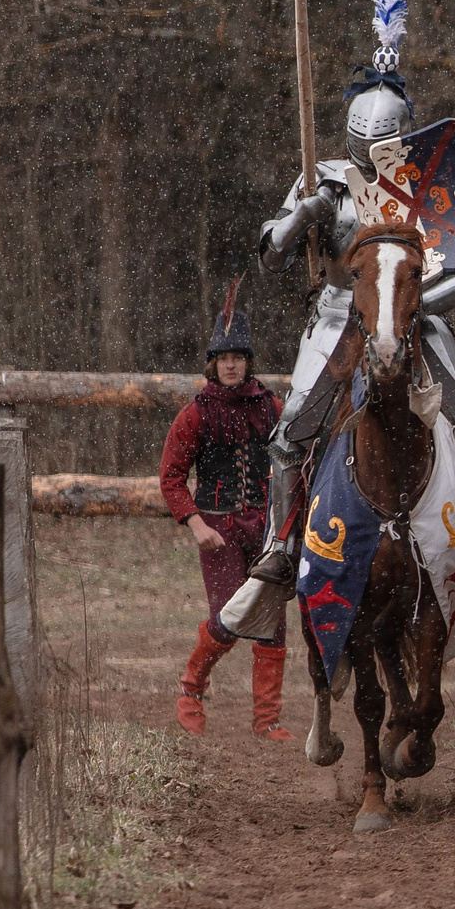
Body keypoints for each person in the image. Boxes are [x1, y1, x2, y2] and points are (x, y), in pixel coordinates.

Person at [219, 0, 455, 643]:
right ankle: (278, 548)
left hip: (418, 321)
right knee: (293, 426)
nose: (378, 156)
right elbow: (268, 253)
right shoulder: (325, 178)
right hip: (338, 319)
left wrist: (414, 302)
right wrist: (302, 212)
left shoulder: (426, 185)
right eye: (371, 147)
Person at [161, 287, 290, 738]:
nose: (230, 364)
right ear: (212, 363)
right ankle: (190, 689)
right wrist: (195, 524)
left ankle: (267, 721)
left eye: (238, 356)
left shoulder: (273, 408)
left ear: (248, 361)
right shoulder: (195, 415)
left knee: (272, 620)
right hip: (217, 527)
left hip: (267, 528)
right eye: (223, 357)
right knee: (228, 620)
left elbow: (295, 466)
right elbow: (172, 477)